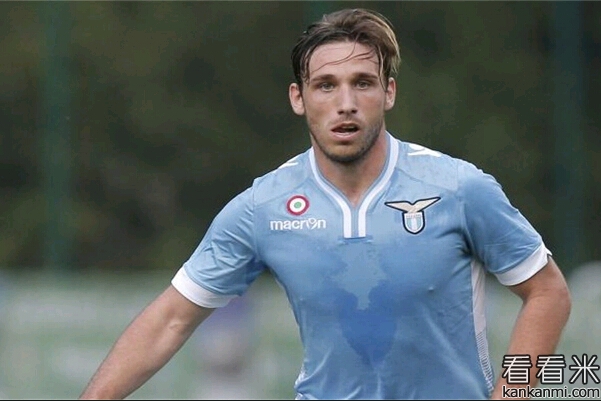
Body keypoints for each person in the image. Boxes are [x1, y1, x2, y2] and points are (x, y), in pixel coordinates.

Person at [79, 8, 572, 400]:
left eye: (363, 82)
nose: (345, 103)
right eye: (326, 85)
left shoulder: (460, 189)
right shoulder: (262, 207)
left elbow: (548, 293)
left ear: (388, 93)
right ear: (299, 98)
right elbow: (171, 319)